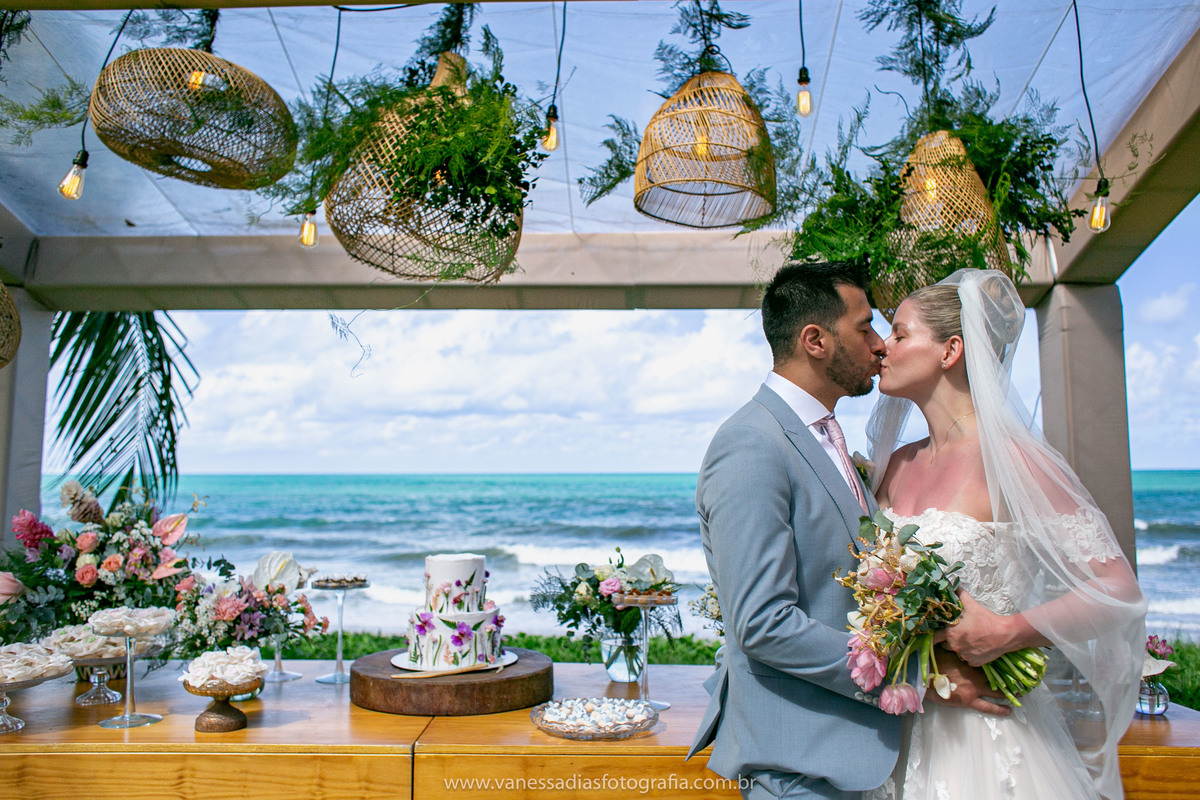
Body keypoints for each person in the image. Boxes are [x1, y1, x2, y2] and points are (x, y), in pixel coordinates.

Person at [687, 261, 1005, 800]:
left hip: (856, 758)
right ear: (815, 340)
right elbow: (763, 624)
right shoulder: (752, 444)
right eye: (865, 327)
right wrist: (921, 676)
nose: (881, 345)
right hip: (801, 766)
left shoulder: (824, 437)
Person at [866, 269, 1147, 800]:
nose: (883, 347)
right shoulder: (897, 465)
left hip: (987, 737)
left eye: (900, 334)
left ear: (950, 350)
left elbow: (1119, 592)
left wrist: (1009, 630)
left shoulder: (1013, 461)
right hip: (906, 719)